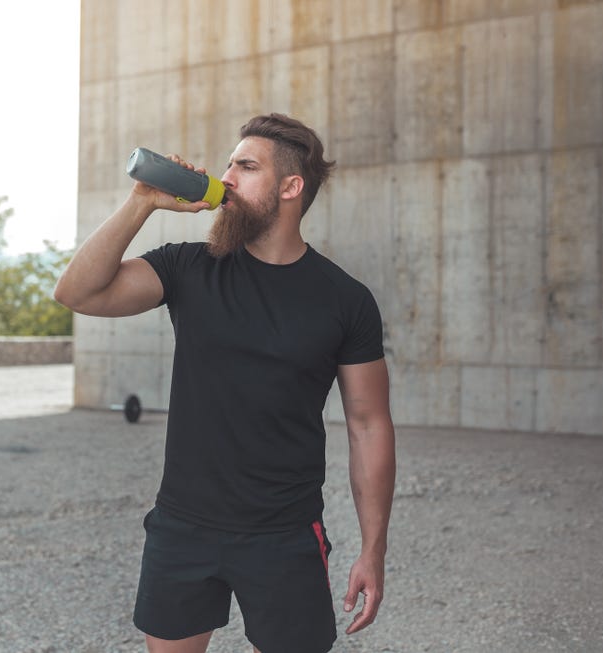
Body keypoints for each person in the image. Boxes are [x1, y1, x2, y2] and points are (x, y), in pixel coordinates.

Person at [54, 113, 396, 653]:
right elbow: (78, 294)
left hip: (285, 535)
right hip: (183, 527)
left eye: (247, 166)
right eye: (229, 164)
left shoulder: (345, 301)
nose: (227, 177)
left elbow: (369, 425)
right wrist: (142, 201)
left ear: (290, 187)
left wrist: (373, 549)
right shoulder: (190, 267)